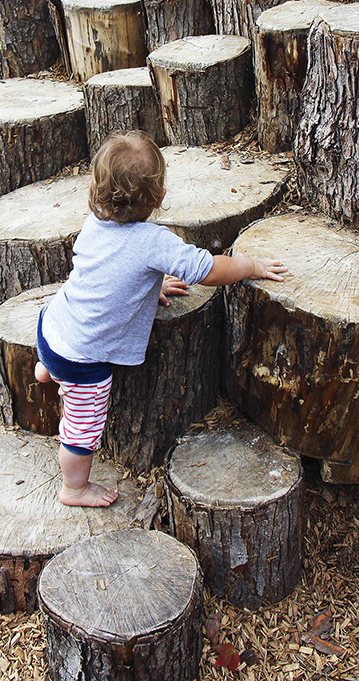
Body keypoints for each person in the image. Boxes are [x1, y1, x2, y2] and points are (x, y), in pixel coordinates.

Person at [35, 131, 287, 507]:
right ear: (159, 198)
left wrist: (150, 286)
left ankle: (47, 370)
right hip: (83, 358)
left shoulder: (93, 224)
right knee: (82, 431)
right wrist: (250, 264)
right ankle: (74, 487)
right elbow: (209, 270)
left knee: (58, 359)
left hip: (52, 327)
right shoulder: (154, 242)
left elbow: (116, 275)